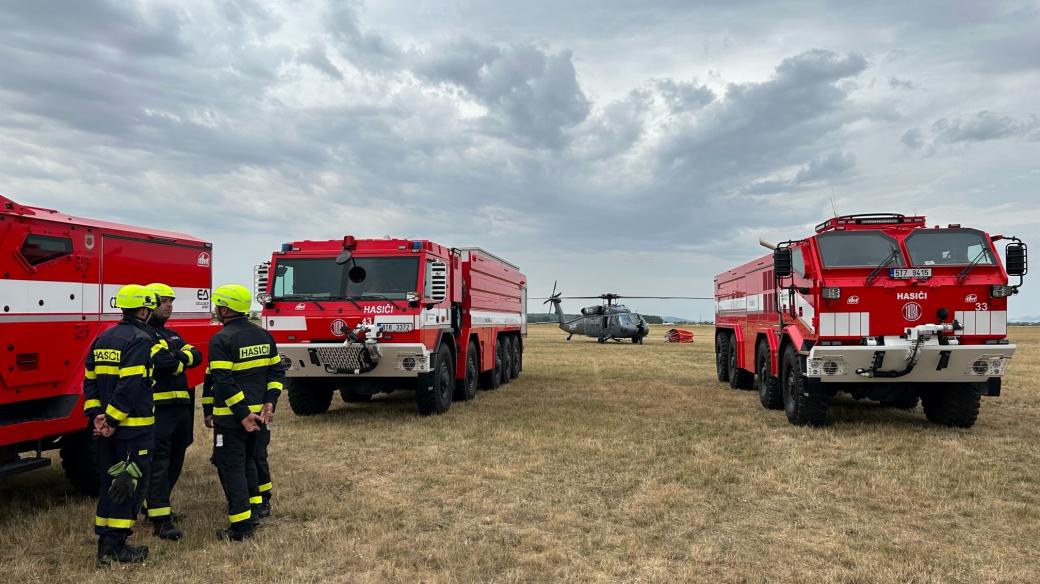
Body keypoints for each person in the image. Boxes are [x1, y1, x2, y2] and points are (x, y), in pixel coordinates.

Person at [83, 284, 160, 566]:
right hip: (133, 429)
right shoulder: (140, 339)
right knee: (129, 485)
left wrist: (97, 416)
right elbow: (129, 386)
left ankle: (106, 538)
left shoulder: (103, 337)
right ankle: (114, 548)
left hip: (106, 428)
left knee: (109, 483)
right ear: (144, 310)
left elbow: (89, 380)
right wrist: (113, 419)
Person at [207, 284, 284, 541]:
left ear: (224, 308)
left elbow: (224, 381)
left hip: (231, 420)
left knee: (231, 467)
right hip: (259, 417)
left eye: (217, 305)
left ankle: (241, 527)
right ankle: (253, 510)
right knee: (251, 462)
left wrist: (241, 414)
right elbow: (276, 373)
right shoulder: (264, 335)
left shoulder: (221, 339)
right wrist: (270, 402)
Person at [142, 283, 203, 540]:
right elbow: (162, 364)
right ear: (149, 305)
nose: (169, 305)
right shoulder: (144, 336)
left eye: (171, 301)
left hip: (181, 407)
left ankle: (156, 507)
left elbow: (197, 355)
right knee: (159, 463)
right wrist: (181, 359)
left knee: (176, 460)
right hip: (159, 410)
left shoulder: (173, 335)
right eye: (164, 301)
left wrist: (178, 358)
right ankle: (161, 521)